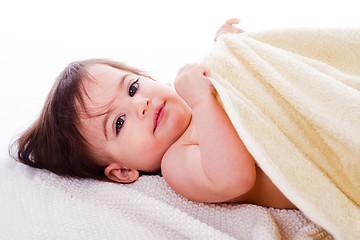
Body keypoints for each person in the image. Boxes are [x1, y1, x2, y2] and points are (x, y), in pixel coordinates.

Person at [13, 19, 297, 209]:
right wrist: (201, 102)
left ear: (152, 78)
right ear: (123, 171)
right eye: (119, 123)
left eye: (133, 88)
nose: (141, 105)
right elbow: (234, 178)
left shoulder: (196, 85)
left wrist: (231, 51)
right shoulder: (177, 161)